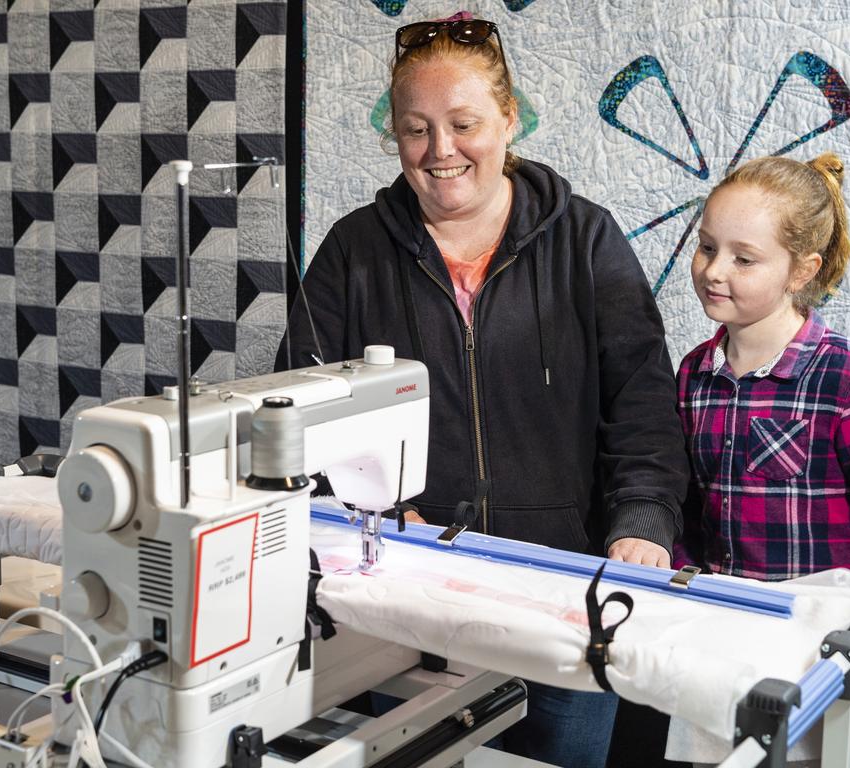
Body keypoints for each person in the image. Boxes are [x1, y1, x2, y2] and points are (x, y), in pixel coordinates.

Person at [278, 11, 688, 767]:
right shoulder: (353, 253)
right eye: (414, 129)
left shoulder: (586, 241)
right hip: (403, 607)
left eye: (464, 123)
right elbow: (296, 417)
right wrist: (363, 507)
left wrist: (642, 522)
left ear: (509, 119)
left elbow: (643, 407)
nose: (440, 152)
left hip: (561, 603)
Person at [675, 153, 850, 581]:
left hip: (821, 630)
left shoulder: (845, 379)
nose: (714, 271)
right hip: (720, 621)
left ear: (800, 271)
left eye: (744, 259)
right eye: (707, 247)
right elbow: (685, 508)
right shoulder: (694, 374)